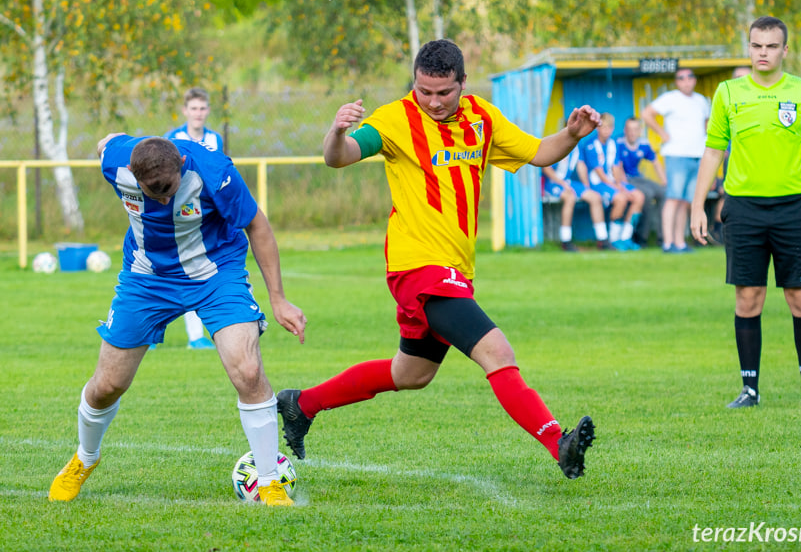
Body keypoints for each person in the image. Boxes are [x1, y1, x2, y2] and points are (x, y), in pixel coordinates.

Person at [277, 39, 597, 480]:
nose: (431, 101)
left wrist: (571, 135)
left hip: (455, 270)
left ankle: (300, 404)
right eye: (423, 90)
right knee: (497, 351)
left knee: (411, 372)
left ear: (462, 84)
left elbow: (539, 152)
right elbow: (340, 158)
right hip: (417, 267)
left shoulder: (481, 117)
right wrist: (336, 132)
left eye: (443, 92)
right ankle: (556, 442)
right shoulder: (394, 118)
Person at [48, 134, 307, 506]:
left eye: (170, 189)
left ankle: (268, 482)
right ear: (134, 177)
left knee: (247, 371)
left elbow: (258, 227)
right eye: (154, 193)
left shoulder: (215, 172)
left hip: (216, 273)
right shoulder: (116, 161)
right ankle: (85, 458)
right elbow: (104, 143)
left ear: (182, 167)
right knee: (108, 385)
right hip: (146, 277)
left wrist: (278, 299)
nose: (165, 199)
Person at [690, 16, 801, 409]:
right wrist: (697, 205)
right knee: (748, 298)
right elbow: (713, 151)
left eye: (771, 46)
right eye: (756, 45)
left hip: (795, 208)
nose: (763, 53)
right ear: (749, 47)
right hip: (743, 209)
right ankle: (749, 391)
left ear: (784, 50)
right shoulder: (727, 93)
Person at [162, 87, 224, 350]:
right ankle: (151, 331)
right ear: (185, 111)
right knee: (166, 273)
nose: (198, 113)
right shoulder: (172, 138)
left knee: (194, 272)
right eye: (193, 108)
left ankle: (196, 336)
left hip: (204, 216)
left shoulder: (214, 139)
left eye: (202, 108)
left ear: (208, 111)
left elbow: (217, 171)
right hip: (176, 214)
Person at [642, 68, 711, 253]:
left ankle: (680, 242)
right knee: (673, 197)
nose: (686, 81)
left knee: (685, 201)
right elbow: (647, 113)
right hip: (677, 154)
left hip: (696, 154)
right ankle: (667, 242)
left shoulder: (701, 101)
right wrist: (662, 133)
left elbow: (706, 124)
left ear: (694, 80)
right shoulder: (670, 98)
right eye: (682, 78)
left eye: (690, 77)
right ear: (677, 82)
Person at [582, 113, 644, 251]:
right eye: (603, 127)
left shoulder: (613, 144)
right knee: (621, 198)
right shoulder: (591, 145)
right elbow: (599, 173)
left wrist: (620, 184)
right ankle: (613, 239)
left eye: (609, 128)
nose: (606, 131)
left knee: (639, 196)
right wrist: (618, 188)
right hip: (598, 184)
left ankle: (625, 238)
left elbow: (616, 166)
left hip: (614, 184)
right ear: (597, 128)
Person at [706, 66, 752, 246]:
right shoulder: (725, 101)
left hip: (754, 164)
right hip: (731, 162)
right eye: (738, 77)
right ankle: (718, 232)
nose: (741, 80)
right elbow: (715, 147)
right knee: (727, 196)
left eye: (745, 77)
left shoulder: (761, 101)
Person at [540, 146, 610, 251]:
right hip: (552, 182)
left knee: (595, 197)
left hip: (567, 182)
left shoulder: (577, 147)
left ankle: (602, 240)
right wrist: (562, 183)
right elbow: (546, 168)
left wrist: (586, 186)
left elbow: (580, 166)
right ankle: (566, 240)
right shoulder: (559, 144)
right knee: (570, 198)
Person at [615, 117, 666, 247]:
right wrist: (623, 185)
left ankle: (663, 238)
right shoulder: (618, 143)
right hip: (626, 179)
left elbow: (655, 163)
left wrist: (664, 181)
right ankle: (641, 237)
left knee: (664, 192)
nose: (632, 133)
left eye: (635, 129)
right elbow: (617, 166)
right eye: (629, 129)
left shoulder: (644, 144)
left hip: (638, 178)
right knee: (647, 194)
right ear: (625, 130)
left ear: (640, 131)